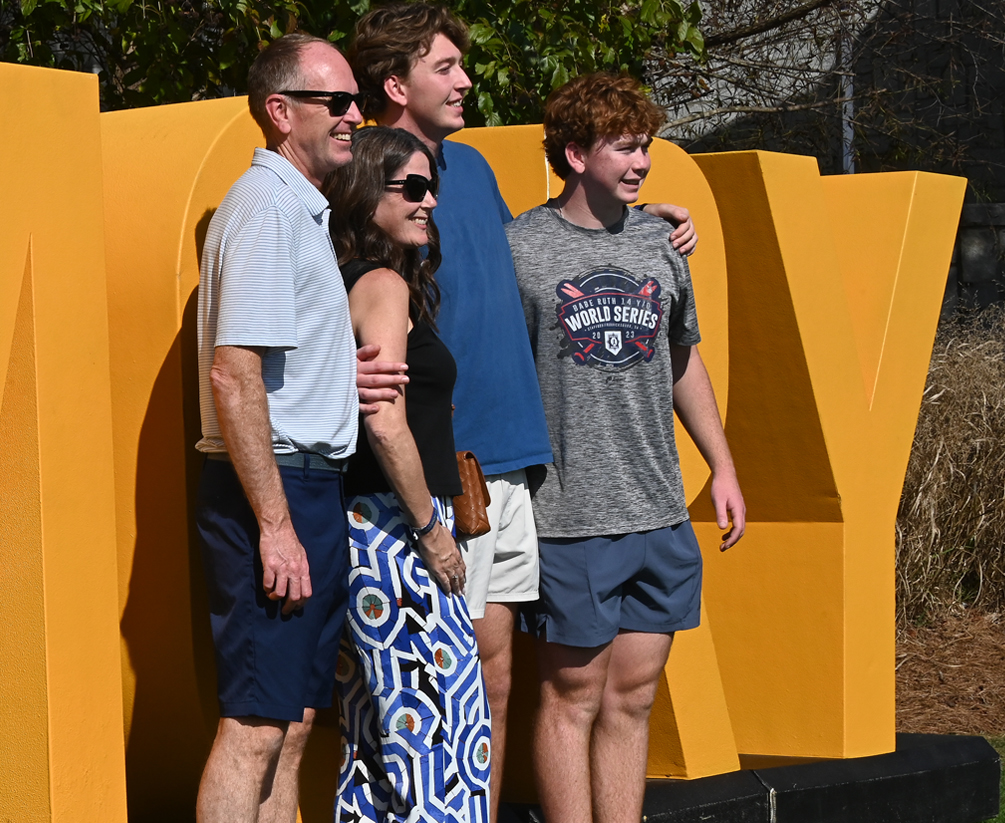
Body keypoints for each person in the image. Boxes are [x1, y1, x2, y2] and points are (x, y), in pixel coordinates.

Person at [345, 7, 698, 814]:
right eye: (445, 67)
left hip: (511, 468)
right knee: (449, 684)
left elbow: (544, 258)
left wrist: (642, 221)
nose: (466, 79)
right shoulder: (373, 181)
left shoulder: (467, 170)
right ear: (396, 84)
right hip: (441, 475)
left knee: (496, 683)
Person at [505, 73, 746, 823]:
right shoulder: (521, 246)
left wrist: (724, 463)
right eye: (624, 147)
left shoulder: (661, 241)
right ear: (575, 153)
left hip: (658, 509)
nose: (642, 161)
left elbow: (682, 357)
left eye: (646, 146)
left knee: (633, 696)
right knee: (571, 696)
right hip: (569, 513)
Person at [193, 33, 367, 823]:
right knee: (255, 725)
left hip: (305, 484)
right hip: (276, 486)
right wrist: (274, 521)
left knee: (291, 724)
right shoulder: (265, 207)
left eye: (354, 100)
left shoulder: (296, 209)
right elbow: (234, 371)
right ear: (280, 109)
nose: (355, 116)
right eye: (337, 101)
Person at [326, 125, 493, 823]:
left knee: (374, 740)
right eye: (412, 188)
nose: (429, 202)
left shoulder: (346, 279)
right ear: (369, 197)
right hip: (397, 531)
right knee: (442, 736)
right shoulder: (384, 283)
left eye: (433, 187)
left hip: (360, 532)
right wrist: (431, 528)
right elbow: (386, 419)